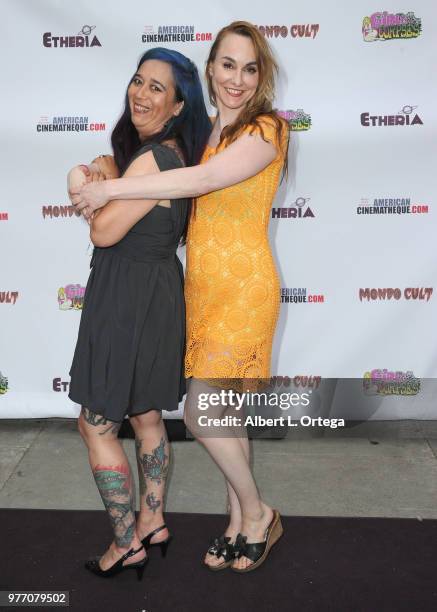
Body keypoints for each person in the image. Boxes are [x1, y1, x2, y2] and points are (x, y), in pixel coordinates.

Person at [71, 21, 289, 573]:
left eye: (249, 67)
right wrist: (101, 171)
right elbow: (171, 201)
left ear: (260, 76)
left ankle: (259, 511)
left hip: (244, 289)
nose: (236, 78)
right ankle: (238, 523)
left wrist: (110, 187)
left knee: (201, 414)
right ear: (211, 68)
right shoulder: (207, 132)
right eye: (227, 64)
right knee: (228, 417)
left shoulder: (267, 130)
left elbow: (198, 182)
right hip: (200, 290)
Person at [67, 47, 211, 579]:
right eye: (138, 81)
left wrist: (92, 186)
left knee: (95, 425)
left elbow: (103, 230)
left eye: (157, 88)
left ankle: (126, 543)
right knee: (148, 417)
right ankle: (153, 523)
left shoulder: (154, 158)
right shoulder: (171, 153)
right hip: (157, 294)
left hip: (127, 296)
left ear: (177, 106)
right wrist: (102, 177)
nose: (141, 94)